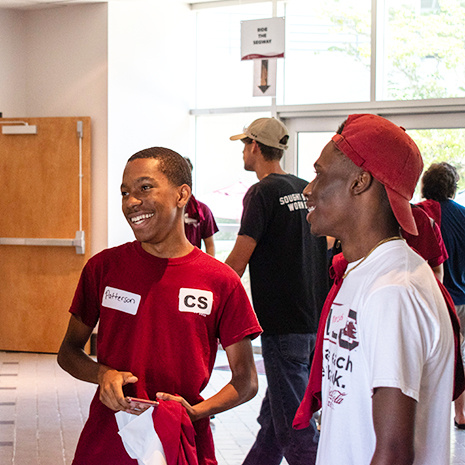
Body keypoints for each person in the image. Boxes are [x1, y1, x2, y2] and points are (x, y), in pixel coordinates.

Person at [57, 147, 262, 465]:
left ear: (182, 195)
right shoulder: (103, 268)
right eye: (125, 192)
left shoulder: (220, 281)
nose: (131, 201)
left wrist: (195, 411)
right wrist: (103, 374)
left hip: (179, 440)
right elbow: (68, 352)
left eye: (145, 187)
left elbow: (246, 381)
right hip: (108, 438)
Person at [293, 114, 464, 464]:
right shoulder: (361, 273)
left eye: (320, 173)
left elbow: (393, 452)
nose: (309, 189)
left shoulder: (394, 290)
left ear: (360, 182)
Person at [226, 117, 330, 465]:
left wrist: (203, 293)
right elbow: (328, 245)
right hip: (313, 323)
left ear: (255, 147)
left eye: (244, 144)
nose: (243, 151)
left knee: (295, 429)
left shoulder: (261, 192)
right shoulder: (305, 188)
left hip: (283, 327)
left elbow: (237, 263)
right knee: (276, 419)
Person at [418, 162, 465, 427]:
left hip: (435, 300)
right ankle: (461, 413)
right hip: (463, 299)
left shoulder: (421, 216)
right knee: (462, 359)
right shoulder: (463, 215)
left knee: (432, 361)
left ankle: (432, 418)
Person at [184, 157, 219, 256]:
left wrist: (208, 268)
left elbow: (210, 245)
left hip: (193, 262)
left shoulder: (202, 210)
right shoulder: (164, 209)